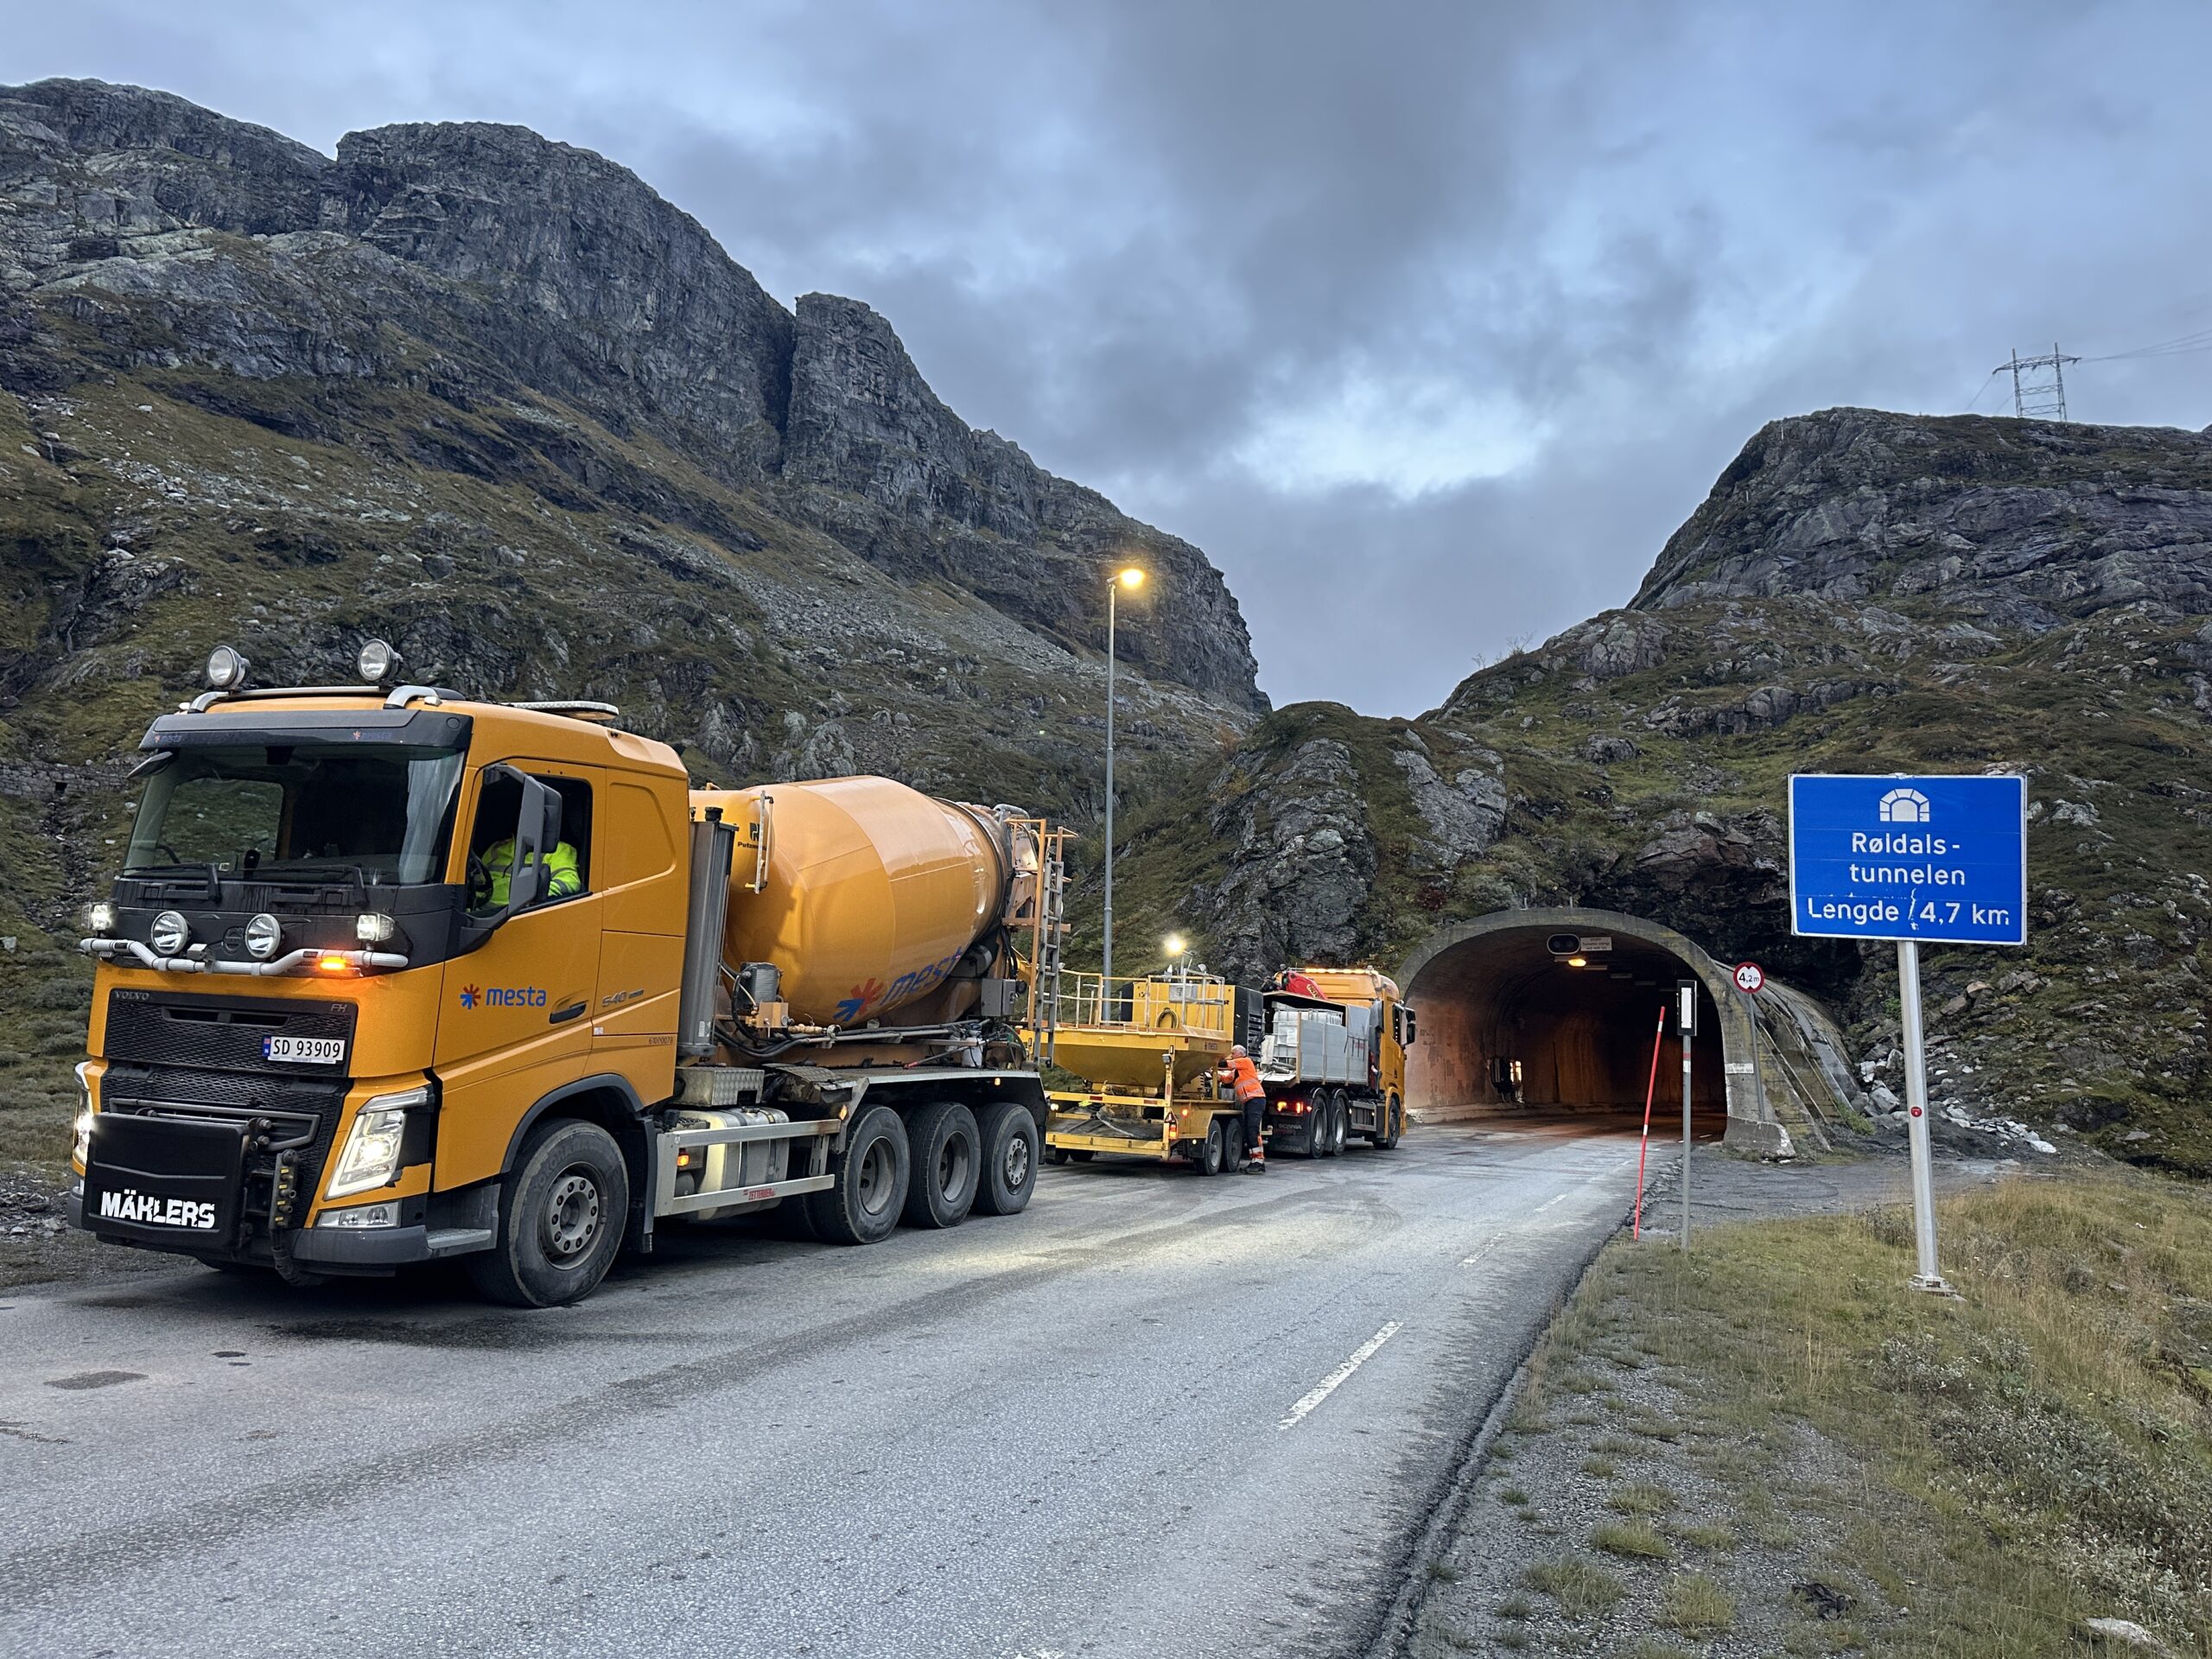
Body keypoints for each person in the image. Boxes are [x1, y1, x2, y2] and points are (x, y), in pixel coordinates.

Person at [479, 836, 583, 907]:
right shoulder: (496, 847)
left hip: (523, 914)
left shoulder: (559, 849)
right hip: (484, 918)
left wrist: (531, 892)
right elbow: (478, 885)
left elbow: (570, 882)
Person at [1219, 1043, 1268, 1173]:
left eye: (1233, 1053)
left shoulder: (1245, 1061)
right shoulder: (1237, 1070)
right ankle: (1255, 1162)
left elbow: (1226, 1064)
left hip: (1256, 1100)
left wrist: (1214, 1061)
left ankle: (1258, 1162)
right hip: (1251, 1101)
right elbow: (1226, 1079)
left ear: (1240, 1054)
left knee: (1252, 1131)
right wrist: (1212, 1074)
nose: (1231, 1056)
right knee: (1248, 1131)